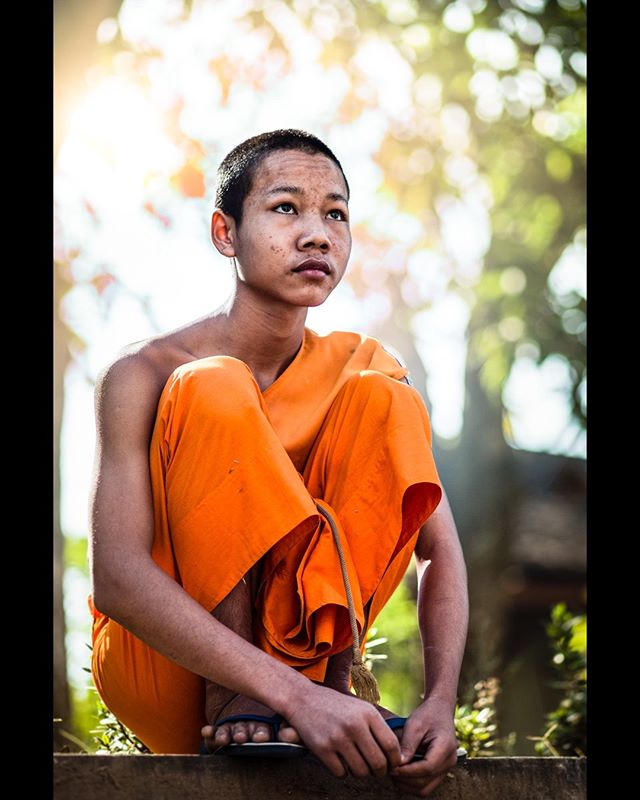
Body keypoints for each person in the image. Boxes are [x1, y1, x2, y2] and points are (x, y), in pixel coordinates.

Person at [88, 129, 469, 798]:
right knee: (216, 385)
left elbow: (437, 552)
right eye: (286, 208)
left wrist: (441, 701)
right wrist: (287, 695)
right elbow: (117, 577)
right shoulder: (145, 373)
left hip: (311, 692)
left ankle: (332, 689)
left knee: (388, 399)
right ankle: (240, 700)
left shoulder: (361, 372)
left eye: (336, 214)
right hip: (166, 664)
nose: (318, 234)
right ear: (225, 232)